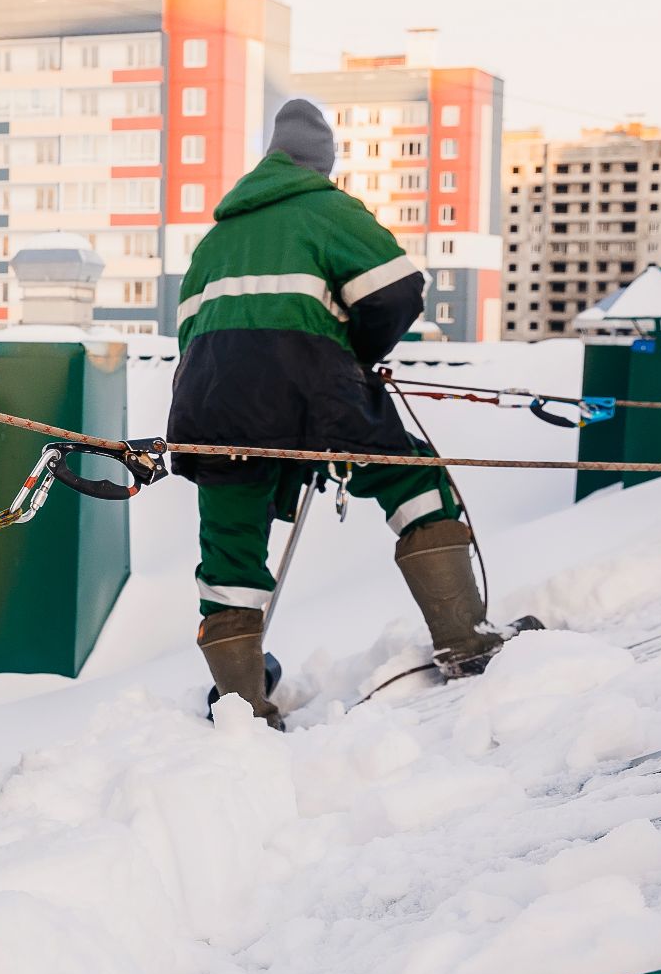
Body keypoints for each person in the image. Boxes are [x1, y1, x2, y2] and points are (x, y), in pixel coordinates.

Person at [167, 99, 507, 729]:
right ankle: (465, 642)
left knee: (229, 550)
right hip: (312, 392)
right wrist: (356, 355)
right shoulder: (328, 210)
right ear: (321, 164)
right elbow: (398, 289)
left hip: (208, 408)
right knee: (412, 480)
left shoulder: (215, 239)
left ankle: (244, 707)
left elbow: (192, 331)